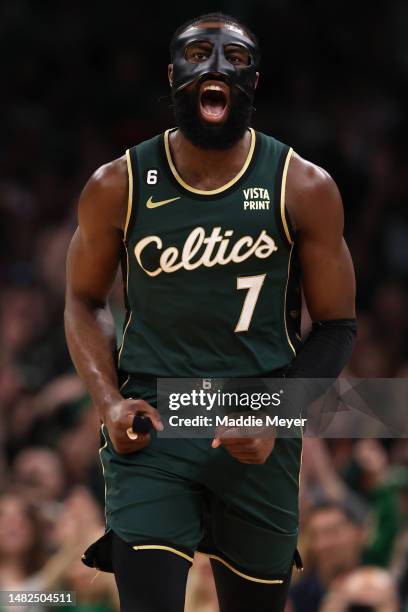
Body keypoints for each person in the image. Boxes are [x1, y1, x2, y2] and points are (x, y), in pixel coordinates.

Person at [64, 11, 356, 612]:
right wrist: (109, 401)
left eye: (235, 58)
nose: (216, 67)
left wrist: (277, 415)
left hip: (256, 415)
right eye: (198, 54)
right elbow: (81, 299)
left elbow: (337, 325)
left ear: (256, 82)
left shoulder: (302, 185)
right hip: (155, 419)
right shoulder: (117, 183)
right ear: (172, 75)